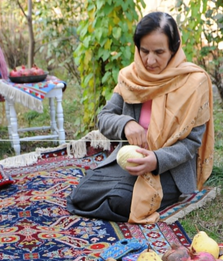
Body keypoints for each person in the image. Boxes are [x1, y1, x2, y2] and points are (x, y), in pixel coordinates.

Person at [67, 11, 214, 224]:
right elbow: (104, 117)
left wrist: (156, 160)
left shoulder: (194, 83)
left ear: (174, 49)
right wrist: (126, 124)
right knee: (81, 194)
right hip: (133, 162)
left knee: (120, 200)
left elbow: (191, 143)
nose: (149, 60)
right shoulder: (131, 77)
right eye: (144, 51)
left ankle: (125, 196)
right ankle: (121, 193)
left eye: (159, 52)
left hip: (169, 168)